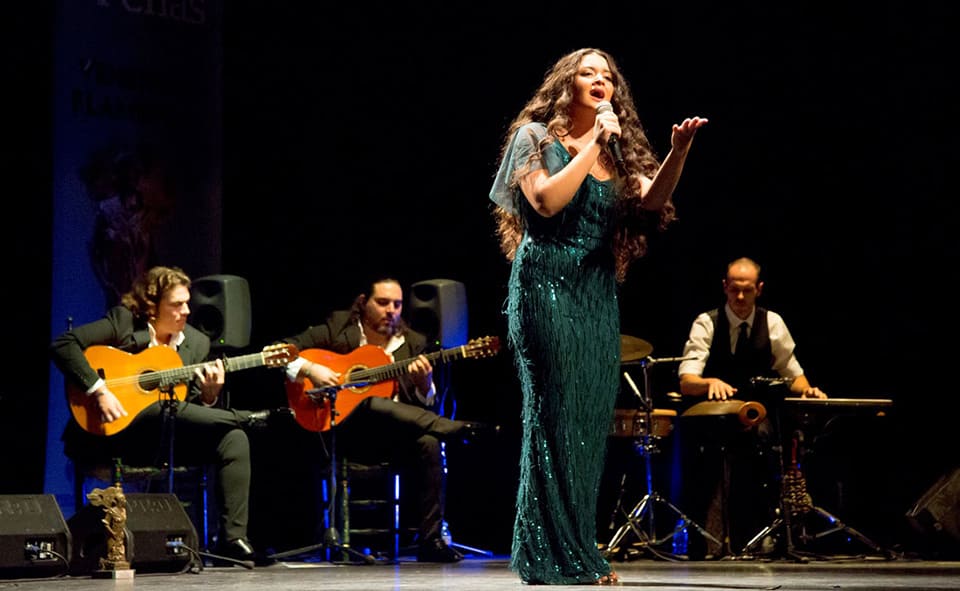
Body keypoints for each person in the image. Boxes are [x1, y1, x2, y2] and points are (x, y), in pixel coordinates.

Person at [489, 47, 707, 585]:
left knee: (586, 427)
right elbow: (545, 202)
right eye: (588, 73)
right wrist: (594, 142)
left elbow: (650, 206)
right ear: (566, 83)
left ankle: (578, 550)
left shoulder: (619, 155)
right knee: (553, 420)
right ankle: (546, 553)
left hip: (595, 296)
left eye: (607, 76)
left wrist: (678, 153)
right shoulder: (535, 138)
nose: (599, 81)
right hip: (545, 289)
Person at [51, 265, 285, 567]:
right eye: (177, 304)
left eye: (187, 303)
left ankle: (232, 541)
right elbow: (63, 345)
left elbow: (193, 408)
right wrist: (99, 390)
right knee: (162, 407)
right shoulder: (123, 321)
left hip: (165, 439)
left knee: (233, 439)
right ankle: (247, 417)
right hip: (113, 434)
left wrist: (211, 395)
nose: (186, 311)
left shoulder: (197, 343)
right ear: (152, 307)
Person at [279, 277, 495, 563]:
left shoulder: (414, 344)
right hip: (347, 436)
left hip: (396, 437)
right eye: (382, 303)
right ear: (363, 303)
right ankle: (454, 429)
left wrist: (424, 385)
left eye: (397, 304)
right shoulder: (338, 328)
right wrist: (311, 369)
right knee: (369, 402)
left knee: (429, 442)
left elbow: (424, 403)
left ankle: (430, 541)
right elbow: (282, 351)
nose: (391, 310)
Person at [676, 256, 827, 558]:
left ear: (759, 288)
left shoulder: (772, 323)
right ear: (725, 287)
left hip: (757, 417)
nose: (741, 297)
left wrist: (808, 390)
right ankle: (708, 539)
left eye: (747, 290)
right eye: (734, 290)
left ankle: (762, 533)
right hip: (713, 421)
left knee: (770, 444)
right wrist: (708, 383)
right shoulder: (707, 322)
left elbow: (792, 373)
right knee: (705, 455)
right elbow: (686, 379)